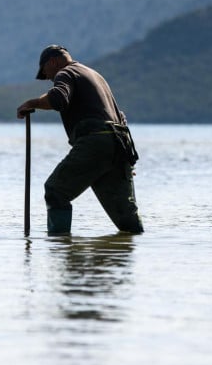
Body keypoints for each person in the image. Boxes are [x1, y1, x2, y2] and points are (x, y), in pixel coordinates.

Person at [17, 45, 144, 235]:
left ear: (53, 62)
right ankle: (128, 260)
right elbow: (120, 117)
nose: (49, 79)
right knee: (127, 219)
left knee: (55, 191)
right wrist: (124, 161)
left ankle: (61, 249)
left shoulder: (65, 73)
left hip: (95, 142)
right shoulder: (94, 75)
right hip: (119, 146)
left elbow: (60, 98)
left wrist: (31, 103)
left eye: (46, 73)